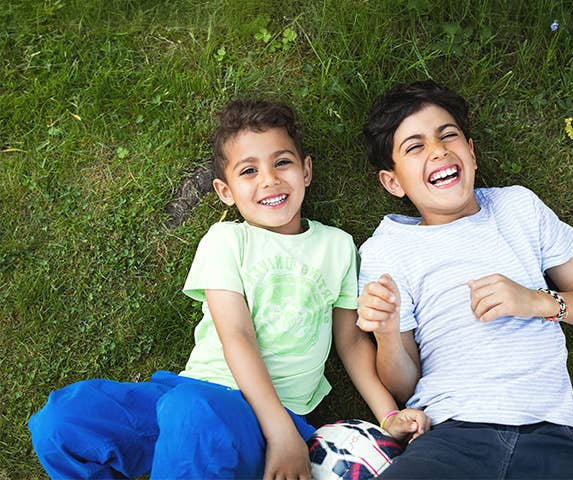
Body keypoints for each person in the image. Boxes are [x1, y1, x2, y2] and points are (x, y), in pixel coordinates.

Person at [28, 99, 428, 479]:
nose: (270, 180)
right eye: (249, 171)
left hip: (259, 423)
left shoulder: (337, 246)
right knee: (60, 421)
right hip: (189, 395)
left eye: (282, 163)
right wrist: (280, 433)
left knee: (192, 414)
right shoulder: (225, 240)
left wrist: (387, 414)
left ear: (306, 171)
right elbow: (235, 334)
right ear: (225, 191)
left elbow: (352, 345)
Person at [356, 80, 573, 479]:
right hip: (449, 435)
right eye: (415, 146)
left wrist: (535, 301)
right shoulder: (387, 249)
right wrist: (389, 335)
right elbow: (406, 387)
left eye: (448, 136)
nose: (438, 150)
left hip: (554, 434)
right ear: (393, 182)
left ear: (472, 153)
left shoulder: (517, 207)